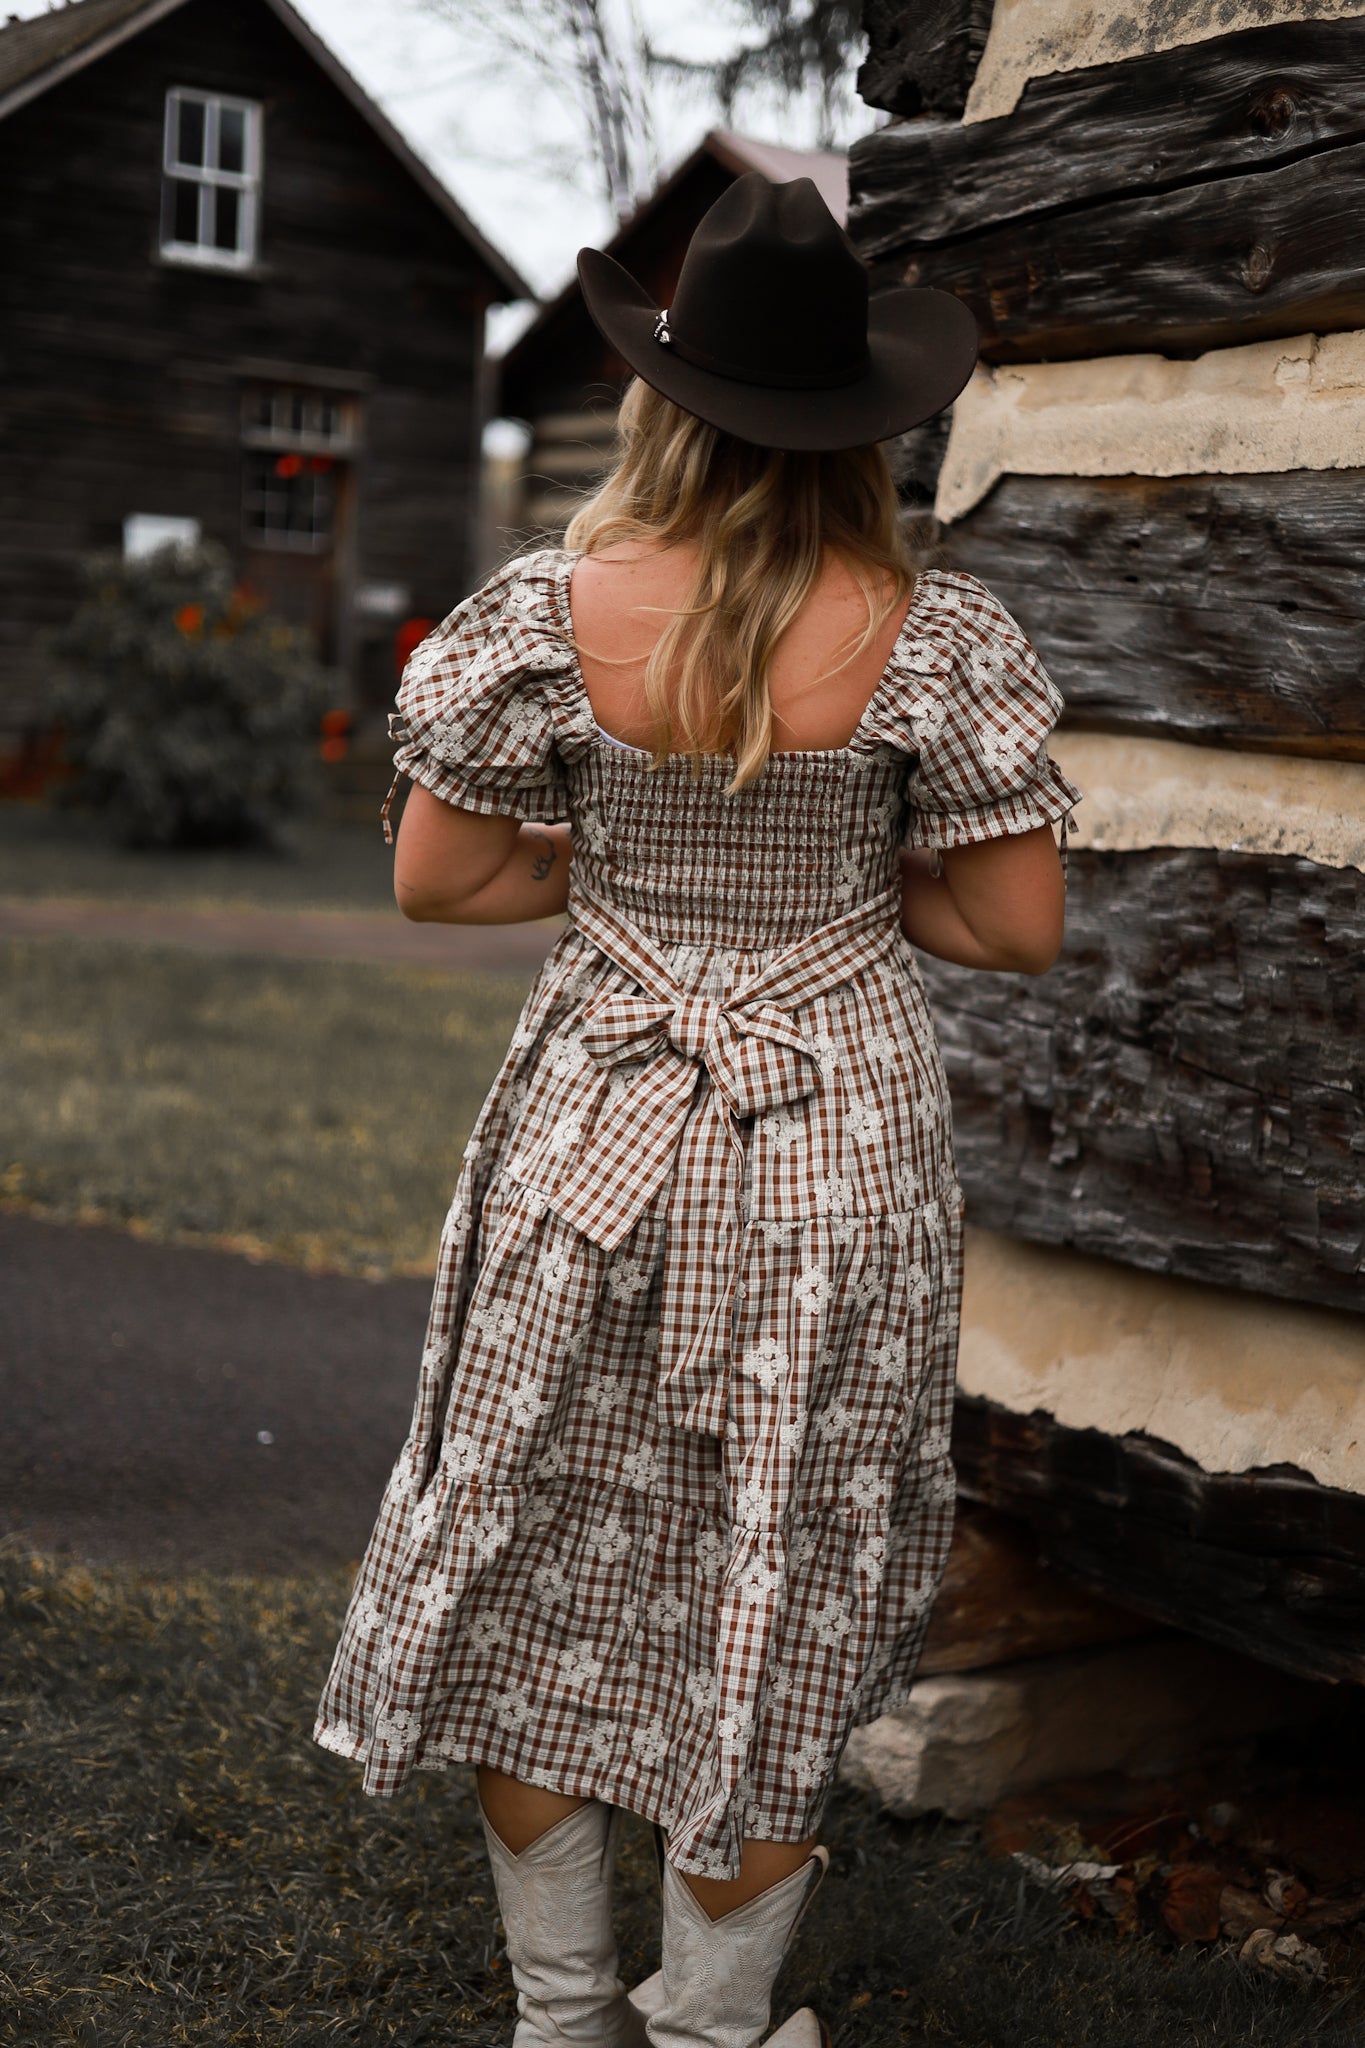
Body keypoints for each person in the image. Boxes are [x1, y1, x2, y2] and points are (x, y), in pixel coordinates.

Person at [314, 172, 1081, 2047]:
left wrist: (628, 880)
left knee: (533, 1536)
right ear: (862, 426)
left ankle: (564, 2016)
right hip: (829, 1137)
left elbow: (442, 881)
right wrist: (833, 891)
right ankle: (715, 2030)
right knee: (777, 1558)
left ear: (662, 403)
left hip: (595, 1113)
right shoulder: (936, 641)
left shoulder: (542, 615)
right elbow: (1010, 925)